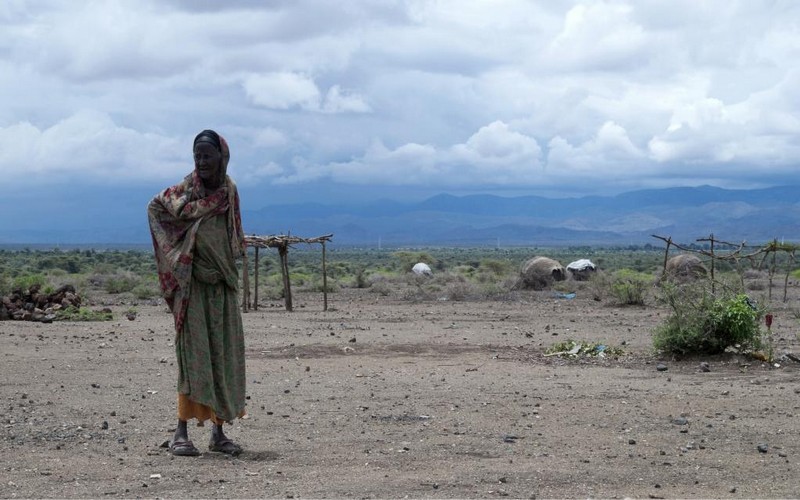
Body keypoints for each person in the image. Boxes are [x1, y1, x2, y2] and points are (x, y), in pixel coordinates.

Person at [147, 129, 247, 456]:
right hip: (191, 287)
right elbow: (156, 208)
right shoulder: (186, 191)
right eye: (197, 156)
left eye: (207, 156)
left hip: (221, 285)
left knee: (222, 356)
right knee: (193, 358)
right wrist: (179, 259)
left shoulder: (228, 191)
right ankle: (181, 432)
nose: (201, 162)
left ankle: (218, 433)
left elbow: (233, 235)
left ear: (222, 157)